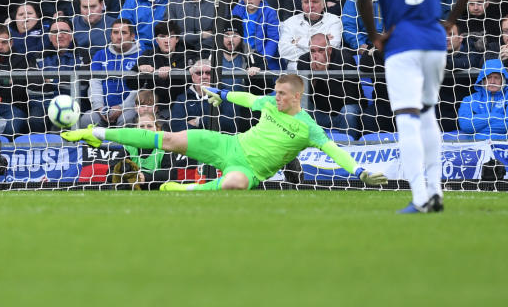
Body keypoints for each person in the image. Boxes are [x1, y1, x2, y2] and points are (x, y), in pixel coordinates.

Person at [63, 74, 388, 191]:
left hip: (248, 169)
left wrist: (358, 171)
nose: (275, 98)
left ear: (297, 97)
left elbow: (333, 149)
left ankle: (185, 191)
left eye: (281, 94)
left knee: (235, 183)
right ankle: (97, 132)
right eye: (275, 93)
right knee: (169, 139)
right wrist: (222, 92)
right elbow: (249, 99)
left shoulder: (309, 127)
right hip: (228, 144)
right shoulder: (271, 103)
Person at [355, 0, 476, 213]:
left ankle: (420, 197)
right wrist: (450, 20)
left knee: (407, 118)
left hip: (402, 44)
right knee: (427, 113)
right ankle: (435, 192)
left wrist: (374, 35)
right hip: (435, 41)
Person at [79, 18, 141, 129]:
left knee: (126, 120)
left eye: (124, 32)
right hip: (103, 110)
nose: (119, 37)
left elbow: (140, 88)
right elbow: (94, 83)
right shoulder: (100, 55)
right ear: (111, 35)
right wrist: (99, 108)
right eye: (115, 32)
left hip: (129, 109)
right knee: (87, 119)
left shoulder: (142, 56)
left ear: (132, 36)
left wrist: (122, 107)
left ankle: (123, 147)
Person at [278, 0, 343, 70]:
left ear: (323, 4)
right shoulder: (290, 22)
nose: (310, 5)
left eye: (315, 2)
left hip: (325, 69)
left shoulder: (334, 21)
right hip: (296, 70)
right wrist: (319, 47)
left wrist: (299, 41)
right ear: (302, 4)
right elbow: (283, 51)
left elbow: (333, 47)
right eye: (306, 2)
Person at [458, 59, 508, 135]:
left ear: (503, 80)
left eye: (496, 78)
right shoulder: (469, 100)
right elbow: (466, 125)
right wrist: (496, 117)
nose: (492, 81)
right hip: (475, 146)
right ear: (483, 80)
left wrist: (478, 134)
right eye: (488, 77)